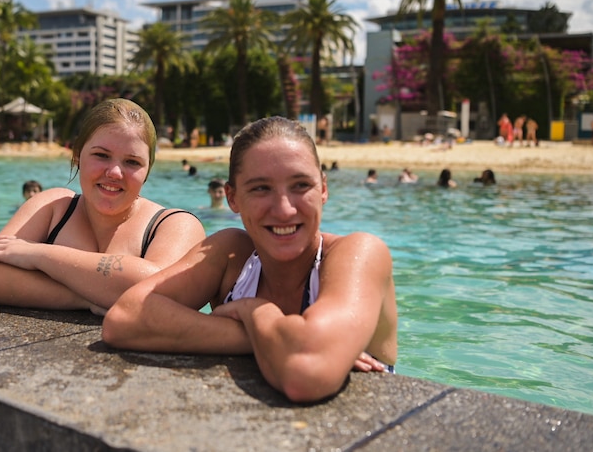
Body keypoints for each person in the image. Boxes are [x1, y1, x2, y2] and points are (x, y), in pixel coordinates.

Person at [103, 116, 398, 403]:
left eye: (300, 186)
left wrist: (253, 309)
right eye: (260, 188)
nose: (284, 210)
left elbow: (304, 374)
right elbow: (124, 319)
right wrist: (271, 339)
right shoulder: (232, 254)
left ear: (323, 188)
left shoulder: (359, 253)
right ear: (232, 198)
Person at [0, 98, 206, 313]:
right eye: (101, 155)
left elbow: (159, 291)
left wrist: (37, 254)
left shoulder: (175, 225)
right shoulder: (52, 207)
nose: (114, 172)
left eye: (132, 162)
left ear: (147, 171)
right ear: (78, 155)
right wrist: (88, 297)